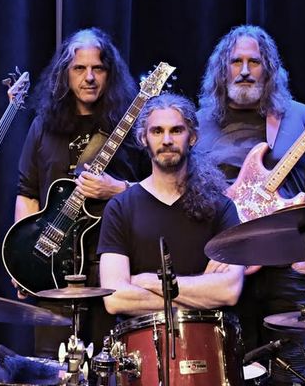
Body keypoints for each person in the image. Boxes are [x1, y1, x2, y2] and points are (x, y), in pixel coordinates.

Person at [197, 25, 305, 386]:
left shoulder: (298, 115)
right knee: (232, 369)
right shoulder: (198, 123)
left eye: (254, 62)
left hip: (288, 260)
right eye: (236, 62)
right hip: (228, 264)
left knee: (294, 370)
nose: (245, 70)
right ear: (222, 69)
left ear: (269, 69)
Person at [13, 27, 150, 358]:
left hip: (113, 266)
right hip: (51, 266)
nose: (89, 77)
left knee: (111, 366)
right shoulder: (43, 125)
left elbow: (160, 190)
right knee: (53, 366)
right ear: (65, 74)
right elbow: (27, 193)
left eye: (98, 68)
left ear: (110, 74)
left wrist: (118, 189)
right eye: (79, 68)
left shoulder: (133, 126)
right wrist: (22, 260)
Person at [97, 92, 243, 316]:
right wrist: (202, 293)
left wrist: (150, 282)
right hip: (140, 338)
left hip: (205, 336)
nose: (166, 140)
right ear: (143, 138)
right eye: (157, 131)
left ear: (192, 137)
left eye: (176, 130)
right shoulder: (120, 208)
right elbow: (115, 299)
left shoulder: (221, 208)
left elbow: (229, 292)